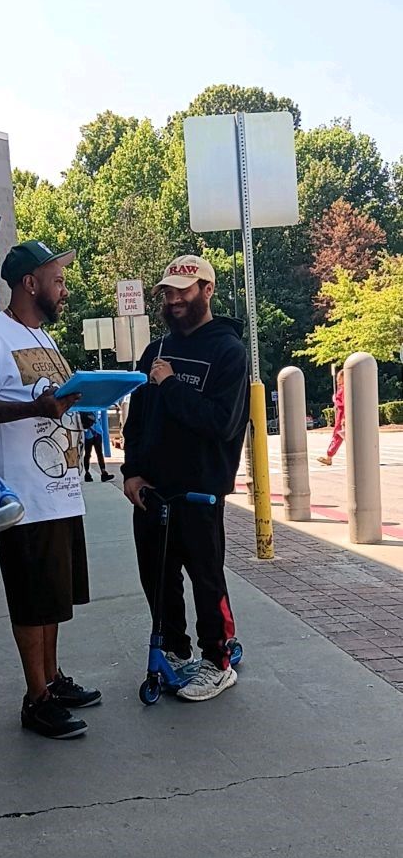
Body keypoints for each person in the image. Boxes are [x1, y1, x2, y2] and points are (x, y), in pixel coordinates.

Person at [0, 240, 102, 739]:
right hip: (22, 497)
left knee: (53, 597)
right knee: (30, 599)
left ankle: (53, 680)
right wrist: (35, 409)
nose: (64, 289)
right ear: (29, 284)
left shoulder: (46, 341)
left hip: (59, 490)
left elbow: (52, 401)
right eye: (56, 280)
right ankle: (35, 698)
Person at [122, 255, 249, 702]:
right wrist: (131, 470)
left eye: (184, 290)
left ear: (207, 290)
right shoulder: (155, 350)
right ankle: (175, 652)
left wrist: (172, 385)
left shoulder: (228, 351)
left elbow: (223, 424)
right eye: (168, 292)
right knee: (157, 578)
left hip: (201, 490)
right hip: (153, 491)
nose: (174, 300)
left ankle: (218, 661)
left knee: (206, 578)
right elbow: (136, 417)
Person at [318, 370, 345, 466]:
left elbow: (344, 403)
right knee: (341, 435)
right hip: (341, 414)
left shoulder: (345, 389)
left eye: (339, 377)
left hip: (342, 414)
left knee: (338, 435)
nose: (337, 380)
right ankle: (329, 456)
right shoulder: (342, 388)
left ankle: (329, 456)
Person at [81, 412, 114, 482]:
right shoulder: (85, 406)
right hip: (88, 433)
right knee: (87, 454)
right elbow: (83, 418)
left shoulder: (97, 406)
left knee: (99, 453)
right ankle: (87, 473)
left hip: (98, 431)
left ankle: (103, 472)